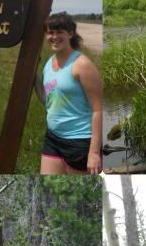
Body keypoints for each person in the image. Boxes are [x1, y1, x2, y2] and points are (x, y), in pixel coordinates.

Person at [35, 12, 103, 174]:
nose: (54, 37)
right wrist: (33, 76)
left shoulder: (82, 65)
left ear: (71, 34)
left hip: (80, 142)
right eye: (50, 32)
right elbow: (48, 100)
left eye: (60, 32)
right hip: (53, 138)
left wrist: (94, 153)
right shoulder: (49, 63)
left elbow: (98, 110)